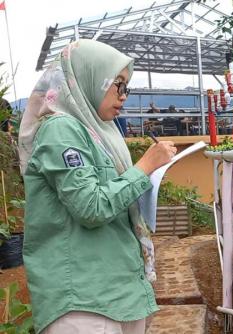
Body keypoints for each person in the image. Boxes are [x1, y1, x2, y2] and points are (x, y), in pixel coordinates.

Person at [18, 39, 177, 334]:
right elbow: (90, 207)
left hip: (119, 290)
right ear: (87, 77)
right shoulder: (61, 130)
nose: (124, 96)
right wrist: (144, 167)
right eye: (118, 84)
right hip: (84, 299)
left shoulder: (101, 134)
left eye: (126, 87)